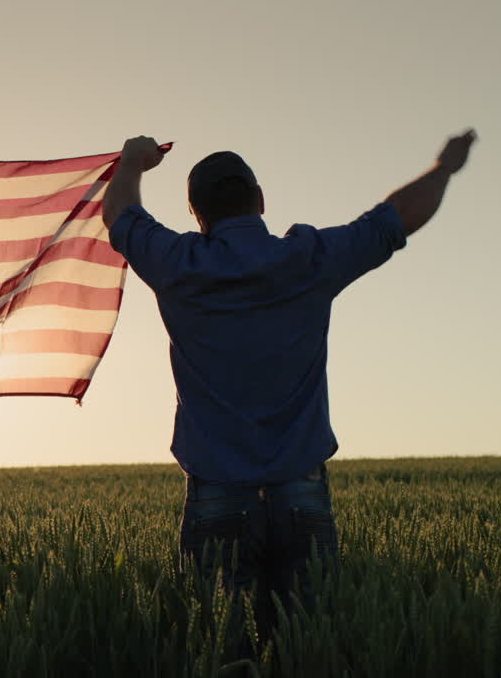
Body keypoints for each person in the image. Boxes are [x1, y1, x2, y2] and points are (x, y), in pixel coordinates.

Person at [102, 130, 477, 632]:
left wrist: (131, 164)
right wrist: (444, 166)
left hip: (216, 493)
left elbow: (120, 217)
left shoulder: (177, 264)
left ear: (197, 214)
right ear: (260, 201)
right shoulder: (309, 258)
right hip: (301, 491)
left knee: (221, 645)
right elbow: (393, 220)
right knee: (307, 642)